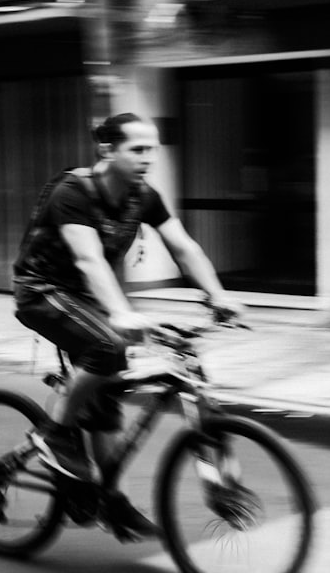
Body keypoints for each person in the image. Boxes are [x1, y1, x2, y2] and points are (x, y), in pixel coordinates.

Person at [12, 112, 243, 540]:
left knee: (107, 390)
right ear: (107, 150)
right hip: (43, 290)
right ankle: (57, 434)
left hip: (90, 299)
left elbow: (183, 247)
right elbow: (89, 260)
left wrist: (217, 294)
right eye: (137, 149)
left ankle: (110, 501)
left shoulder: (142, 196)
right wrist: (120, 312)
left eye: (151, 149)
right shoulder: (73, 193)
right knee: (109, 347)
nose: (147, 158)